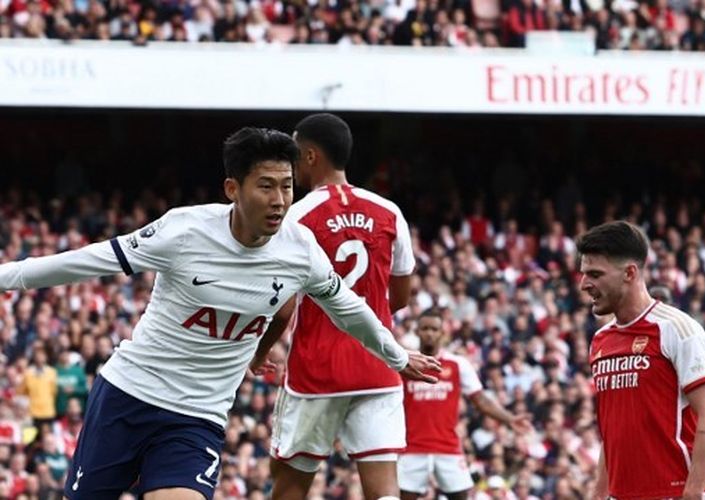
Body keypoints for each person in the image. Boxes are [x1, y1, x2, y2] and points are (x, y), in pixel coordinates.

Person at [0, 127, 440, 500]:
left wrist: (397, 356)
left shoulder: (301, 250)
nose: (279, 200)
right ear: (234, 188)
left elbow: (349, 309)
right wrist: (6, 276)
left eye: (287, 185)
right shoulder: (184, 231)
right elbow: (87, 261)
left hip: (197, 418)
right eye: (265, 186)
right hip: (128, 397)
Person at [249, 113, 415, 499]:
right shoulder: (389, 211)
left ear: (309, 156)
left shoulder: (298, 217)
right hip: (378, 366)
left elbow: (285, 308)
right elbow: (401, 298)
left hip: (317, 371)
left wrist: (259, 353)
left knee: (291, 481)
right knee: (385, 490)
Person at [577, 221, 705, 500]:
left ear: (630, 273)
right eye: (584, 274)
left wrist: (692, 493)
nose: (584, 284)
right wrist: (599, 493)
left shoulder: (678, 329)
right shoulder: (600, 340)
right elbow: (614, 429)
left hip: (677, 492)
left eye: (595, 274)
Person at [398, 309, 531, 500]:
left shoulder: (457, 364)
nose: (429, 333)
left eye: (434, 329)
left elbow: (480, 400)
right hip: (412, 447)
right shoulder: (404, 364)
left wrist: (509, 419)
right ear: (417, 331)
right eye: (425, 328)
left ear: (442, 333)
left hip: (447, 446)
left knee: (462, 497)